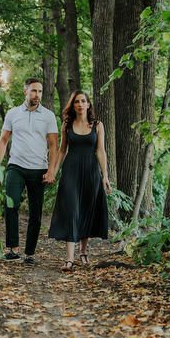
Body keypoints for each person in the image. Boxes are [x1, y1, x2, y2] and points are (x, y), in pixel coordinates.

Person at [0, 78, 59, 266]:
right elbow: (4, 140)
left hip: (39, 169)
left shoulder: (48, 116)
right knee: (11, 205)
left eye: (39, 91)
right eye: (33, 91)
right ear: (25, 92)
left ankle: (29, 253)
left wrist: (51, 170)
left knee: (35, 213)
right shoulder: (13, 114)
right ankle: (13, 250)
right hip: (16, 166)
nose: (37, 95)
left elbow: (54, 145)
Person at [48, 90, 112, 272]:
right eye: (77, 101)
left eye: (83, 101)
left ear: (88, 104)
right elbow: (62, 151)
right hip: (71, 172)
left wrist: (105, 176)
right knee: (72, 211)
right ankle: (69, 259)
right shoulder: (67, 124)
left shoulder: (98, 125)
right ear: (73, 105)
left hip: (91, 171)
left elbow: (101, 151)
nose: (80, 104)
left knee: (86, 210)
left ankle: (83, 253)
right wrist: (53, 171)